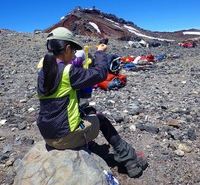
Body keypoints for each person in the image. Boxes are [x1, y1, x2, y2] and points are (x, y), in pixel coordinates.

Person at [36, 27, 148, 178]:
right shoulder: (68, 72)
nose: (75, 53)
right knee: (101, 119)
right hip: (64, 136)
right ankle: (130, 160)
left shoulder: (43, 70)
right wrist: (100, 53)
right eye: (74, 50)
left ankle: (89, 145)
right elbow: (101, 73)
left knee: (87, 112)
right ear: (67, 48)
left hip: (48, 134)